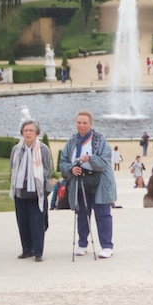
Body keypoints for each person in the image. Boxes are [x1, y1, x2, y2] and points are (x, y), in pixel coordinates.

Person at [59, 111, 117, 259]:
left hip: (100, 182)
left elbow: (104, 162)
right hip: (80, 181)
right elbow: (63, 161)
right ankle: (82, 244)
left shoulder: (100, 140)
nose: (81, 125)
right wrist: (72, 168)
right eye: (79, 122)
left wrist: (90, 159)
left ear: (90, 124)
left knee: (103, 214)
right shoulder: (72, 141)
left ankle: (107, 246)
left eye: (85, 122)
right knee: (82, 213)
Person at [9, 119, 53, 262]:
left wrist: (36, 179)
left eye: (31, 130)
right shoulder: (17, 149)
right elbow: (12, 166)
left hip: (37, 190)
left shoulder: (43, 149)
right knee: (23, 221)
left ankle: (38, 251)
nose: (28, 133)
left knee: (37, 222)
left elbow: (48, 169)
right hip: (20, 190)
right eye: (25, 130)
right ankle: (26, 249)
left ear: (36, 133)